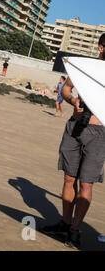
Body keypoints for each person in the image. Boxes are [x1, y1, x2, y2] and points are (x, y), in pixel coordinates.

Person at [40, 33, 105, 249]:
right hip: (74, 126)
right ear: (101, 47)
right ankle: (65, 223)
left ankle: (76, 230)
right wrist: (73, 101)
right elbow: (66, 89)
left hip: (99, 133)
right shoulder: (86, 68)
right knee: (69, 178)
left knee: (86, 182)